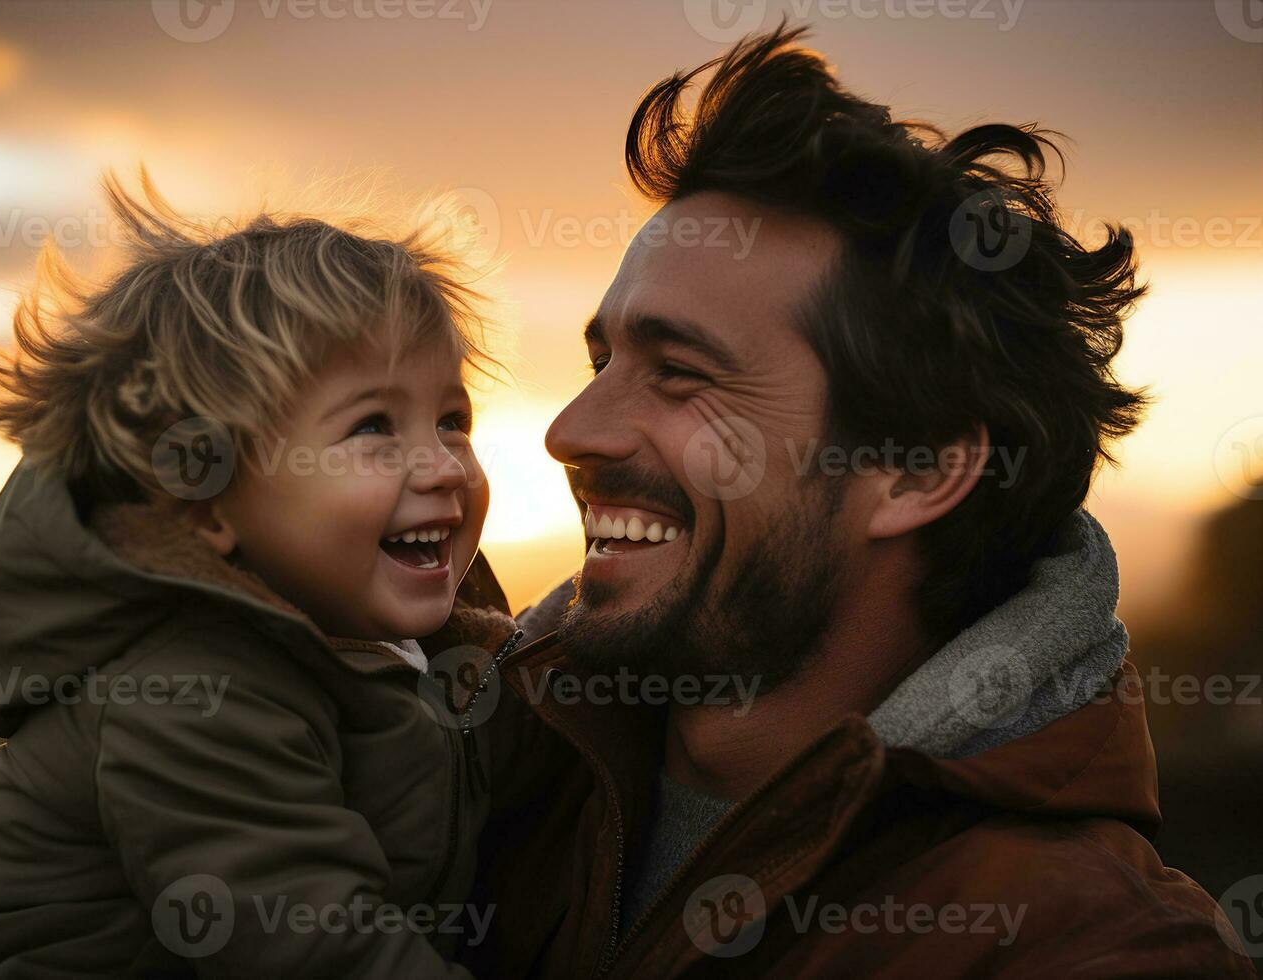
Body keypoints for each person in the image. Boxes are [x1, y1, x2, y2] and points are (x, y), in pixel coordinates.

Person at [463, 25, 1255, 978]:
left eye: (678, 372)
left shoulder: (1088, 951)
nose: (572, 432)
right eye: (602, 361)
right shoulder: (452, 767)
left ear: (920, 471)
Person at [0, 175, 517, 978]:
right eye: (373, 426)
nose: (443, 465)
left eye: (453, 420)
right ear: (205, 502)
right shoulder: (191, 694)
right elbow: (322, 954)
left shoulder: (395, 650)